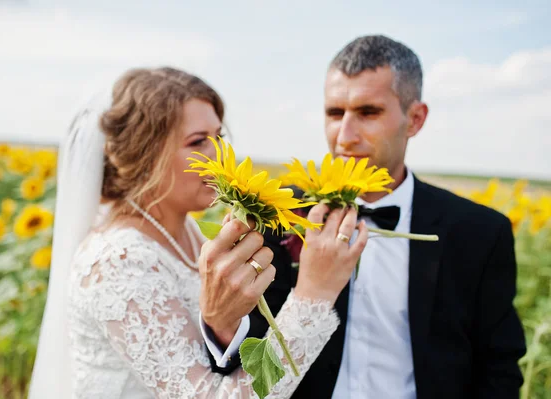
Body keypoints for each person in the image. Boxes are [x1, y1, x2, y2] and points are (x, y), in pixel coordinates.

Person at [209, 35, 527, 399]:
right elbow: (245, 346)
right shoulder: (280, 213)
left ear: (415, 119)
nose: (344, 136)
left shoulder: (480, 232)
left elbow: (498, 368)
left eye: (368, 112)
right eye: (334, 113)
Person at [27, 66, 369, 399]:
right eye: (197, 143)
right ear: (145, 155)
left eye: (219, 137)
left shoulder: (187, 231)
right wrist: (315, 294)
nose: (220, 154)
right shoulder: (118, 261)